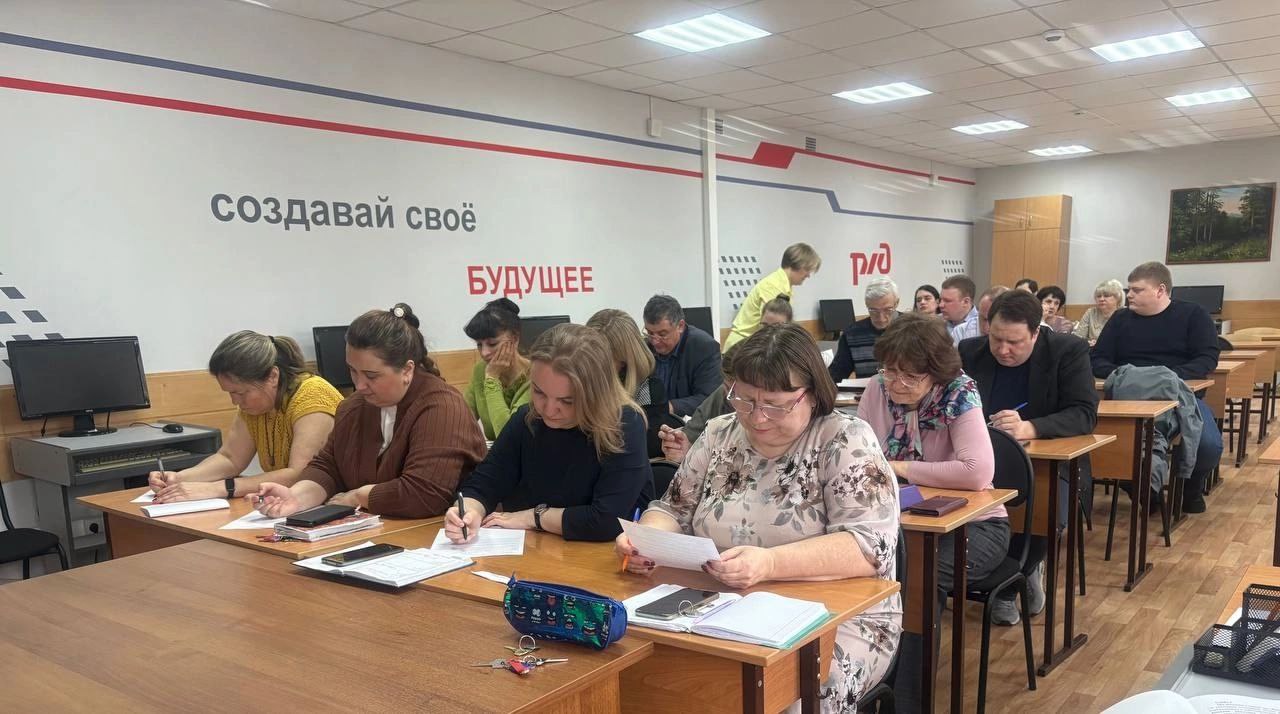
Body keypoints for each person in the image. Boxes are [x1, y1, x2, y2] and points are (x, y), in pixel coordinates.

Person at [619, 323, 901, 710]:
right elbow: (672, 509)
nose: (757, 417)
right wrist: (645, 540)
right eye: (744, 399)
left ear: (812, 394)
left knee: (791, 697)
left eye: (774, 405)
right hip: (721, 605)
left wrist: (768, 563)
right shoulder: (719, 433)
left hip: (841, 618)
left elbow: (869, 549)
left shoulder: (845, 439)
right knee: (658, 676)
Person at [857, 314, 1006, 712]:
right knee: (866, 576)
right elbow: (858, 456)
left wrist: (900, 467)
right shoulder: (877, 388)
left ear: (936, 373)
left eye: (911, 376)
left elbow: (976, 473)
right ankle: (864, 690)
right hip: (899, 525)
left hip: (975, 528)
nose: (897, 384)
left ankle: (906, 704)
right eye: (891, 371)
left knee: (918, 580)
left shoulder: (959, 392)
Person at [253, 304, 486, 518]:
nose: (359, 385)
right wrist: (296, 497)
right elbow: (328, 466)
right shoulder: (353, 406)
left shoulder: (442, 408)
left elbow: (422, 494)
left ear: (407, 370)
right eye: (353, 371)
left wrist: (358, 496)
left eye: (371, 376)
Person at [959, 290, 1098, 625]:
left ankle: (1010, 586)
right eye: (996, 339)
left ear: (1036, 333)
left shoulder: (1067, 351)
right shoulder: (970, 351)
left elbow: (1084, 413)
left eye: (1015, 342)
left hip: (1050, 463)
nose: (1003, 349)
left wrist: (1031, 427)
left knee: (1045, 513)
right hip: (982, 459)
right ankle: (1011, 573)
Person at [445, 324, 653, 542]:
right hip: (538, 551)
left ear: (596, 395)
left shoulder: (624, 424)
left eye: (567, 401)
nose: (548, 409)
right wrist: (468, 511)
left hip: (603, 556)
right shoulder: (528, 418)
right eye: (539, 392)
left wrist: (534, 517)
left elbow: (606, 521)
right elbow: (483, 484)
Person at [149, 331, 342, 503]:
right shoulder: (257, 404)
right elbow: (230, 458)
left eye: (240, 393)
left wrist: (217, 488)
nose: (235, 401)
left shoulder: (313, 396)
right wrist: (179, 478)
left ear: (272, 377)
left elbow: (301, 474)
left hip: (329, 504)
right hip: (286, 503)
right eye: (230, 393)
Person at [1091, 261, 1222, 512]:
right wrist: (1131, 376)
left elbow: (1206, 358)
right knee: (1112, 445)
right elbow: (1097, 359)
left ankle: (1190, 489)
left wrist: (1165, 377)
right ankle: (1144, 491)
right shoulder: (1120, 319)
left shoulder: (1194, 315)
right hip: (1127, 396)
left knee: (1208, 446)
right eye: (1129, 289)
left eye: (1137, 290)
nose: (1129, 295)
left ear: (1160, 290)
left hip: (1179, 396)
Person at [587, 309, 672, 458]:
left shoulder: (648, 388)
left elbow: (646, 448)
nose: (594, 364)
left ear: (623, 358)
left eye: (602, 357)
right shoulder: (586, 378)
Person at [722, 242, 821, 351]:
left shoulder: (784, 286)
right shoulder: (773, 285)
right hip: (741, 347)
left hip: (750, 345)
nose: (808, 275)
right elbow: (774, 329)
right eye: (807, 269)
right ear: (798, 264)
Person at [643, 294, 722, 419]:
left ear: (680, 326)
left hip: (689, 422)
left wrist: (669, 407)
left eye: (662, 334)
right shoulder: (645, 347)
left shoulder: (704, 348)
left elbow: (710, 399)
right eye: (650, 333)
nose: (655, 341)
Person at [462, 298, 531, 441]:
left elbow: (509, 438)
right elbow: (462, 419)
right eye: (479, 345)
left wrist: (492, 379)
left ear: (515, 339)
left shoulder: (535, 375)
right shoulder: (480, 370)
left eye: (492, 344)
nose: (484, 353)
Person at [657, 344, 738, 464]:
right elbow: (691, 436)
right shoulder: (721, 394)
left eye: (746, 396)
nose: (731, 399)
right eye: (728, 388)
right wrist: (685, 450)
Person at [829, 277, 902, 382]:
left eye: (887, 310)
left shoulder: (913, 329)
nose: (881, 318)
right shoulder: (852, 334)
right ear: (866, 304)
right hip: (866, 391)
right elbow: (836, 375)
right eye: (873, 310)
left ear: (896, 303)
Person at [1073, 279, 1124, 345]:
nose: (1101, 299)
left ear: (1118, 298)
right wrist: (1087, 342)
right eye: (1099, 296)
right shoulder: (1091, 312)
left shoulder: (1125, 314)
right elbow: (1078, 337)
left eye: (1106, 296)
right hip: (1091, 349)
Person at [939, 274, 980, 344]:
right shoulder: (936, 322)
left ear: (966, 302)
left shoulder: (982, 324)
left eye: (947, 301)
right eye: (940, 300)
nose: (940, 305)